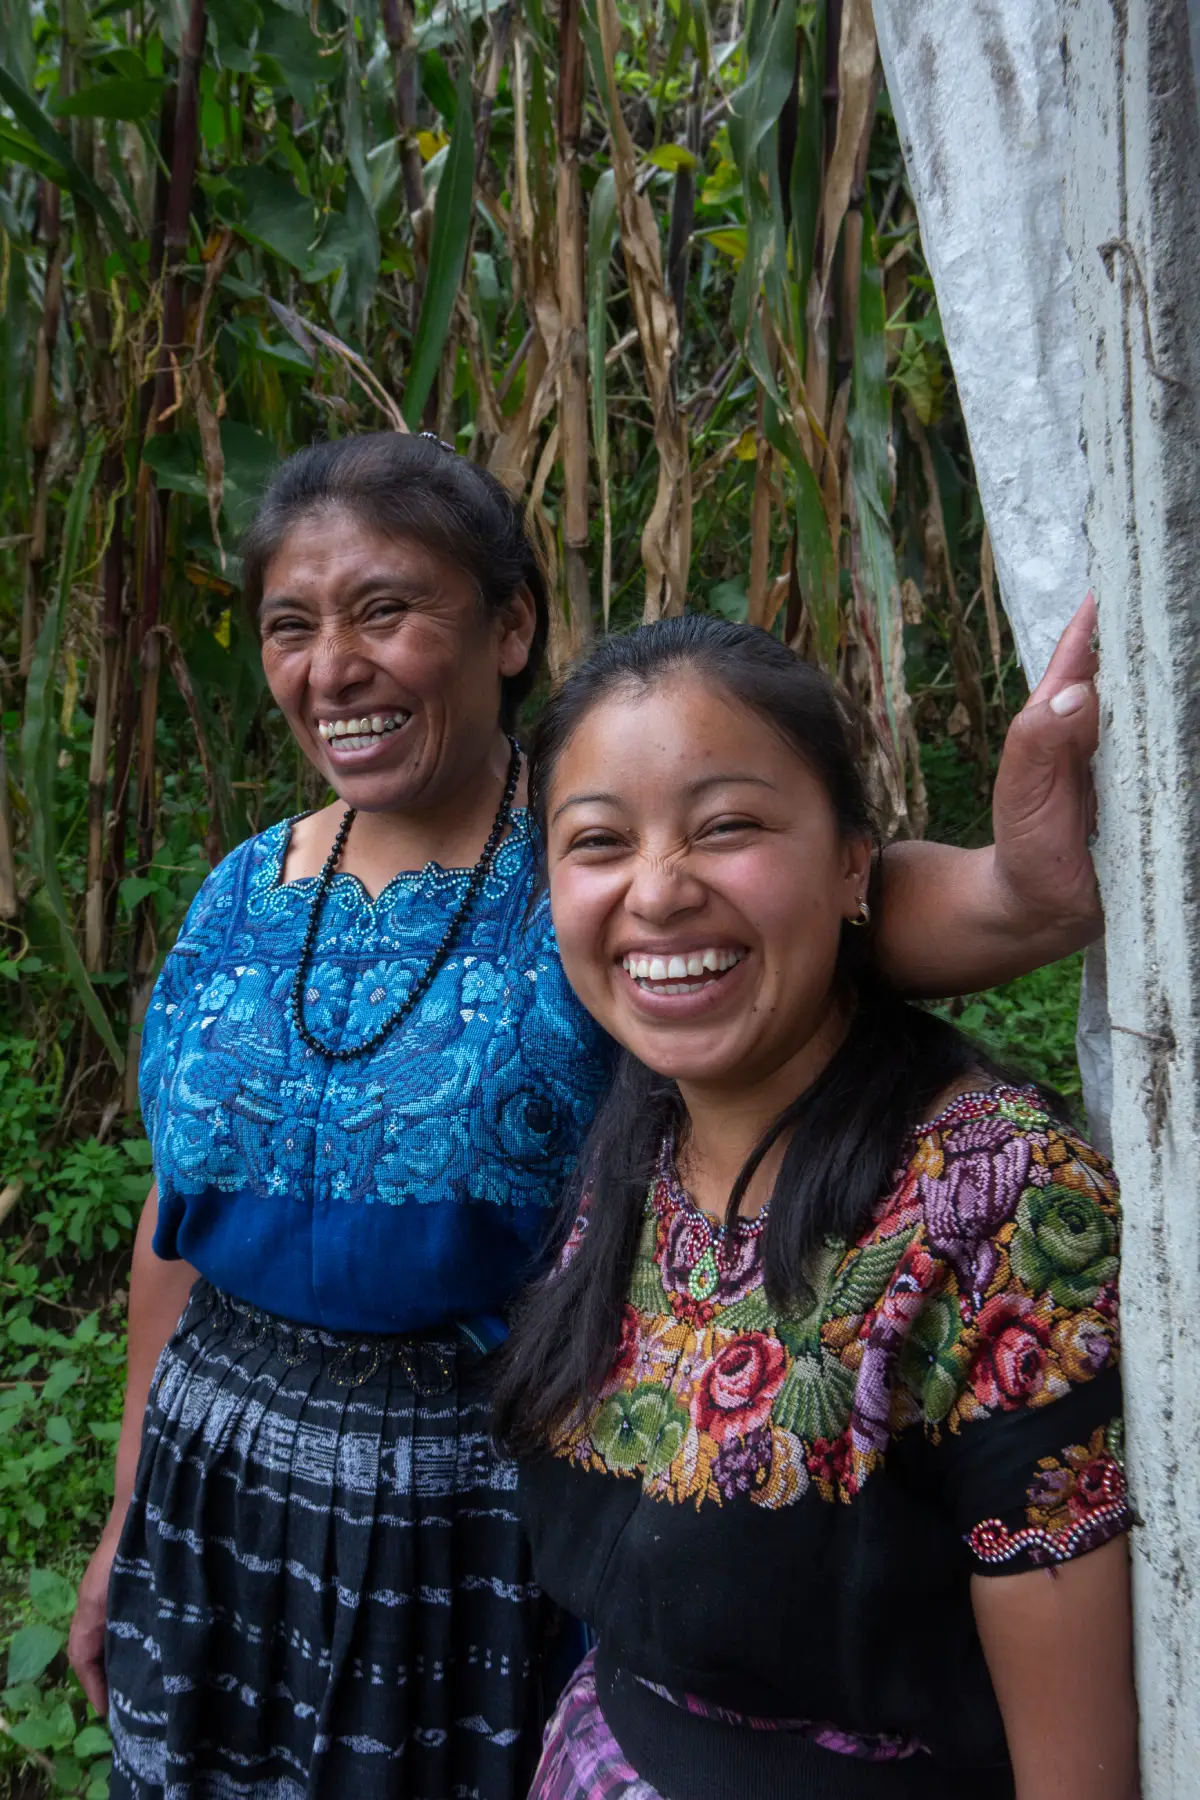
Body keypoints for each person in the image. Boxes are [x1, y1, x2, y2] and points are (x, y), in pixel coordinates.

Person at [67, 430, 1107, 1800]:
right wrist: (131, 1504)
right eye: (292, 626)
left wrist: (1022, 896)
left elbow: (807, 909)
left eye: (385, 609)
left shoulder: (586, 864)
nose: (334, 666)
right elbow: (177, 1213)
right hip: (221, 1490)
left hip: (467, 1516)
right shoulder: (242, 894)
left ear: (508, 625)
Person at [497, 615, 1137, 1800]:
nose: (657, 890)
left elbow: (1078, 1769)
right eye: (597, 842)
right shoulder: (641, 1128)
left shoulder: (992, 1205)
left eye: (727, 825)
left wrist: (1019, 889)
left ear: (856, 862)